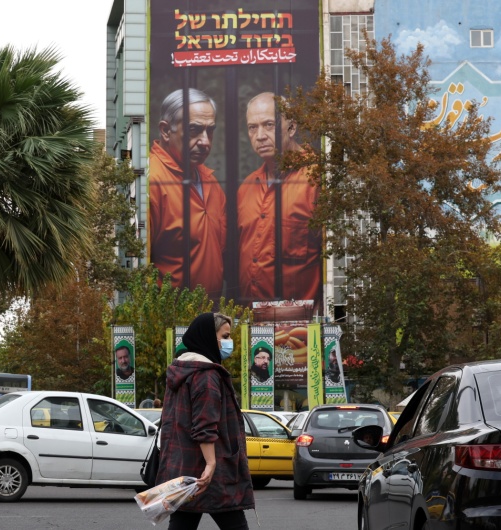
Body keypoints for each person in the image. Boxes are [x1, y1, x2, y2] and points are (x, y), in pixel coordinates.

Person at [156, 313, 254, 529]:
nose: (229, 343)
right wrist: (210, 464)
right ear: (209, 337)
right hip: (210, 471)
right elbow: (204, 424)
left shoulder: (181, 371)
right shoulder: (206, 376)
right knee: (234, 523)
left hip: (184, 467)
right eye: (225, 336)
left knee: (183, 521)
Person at [237, 92, 321, 305]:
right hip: (250, 323)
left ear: (292, 128)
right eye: (252, 127)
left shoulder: (317, 178)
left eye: (269, 125)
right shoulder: (246, 188)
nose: (260, 135)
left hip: (298, 327)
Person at [149, 89, 227, 300]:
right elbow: (137, 268)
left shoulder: (210, 181)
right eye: (194, 130)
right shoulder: (152, 182)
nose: (205, 142)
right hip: (169, 322)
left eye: (210, 131)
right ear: (166, 131)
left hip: (208, 318)